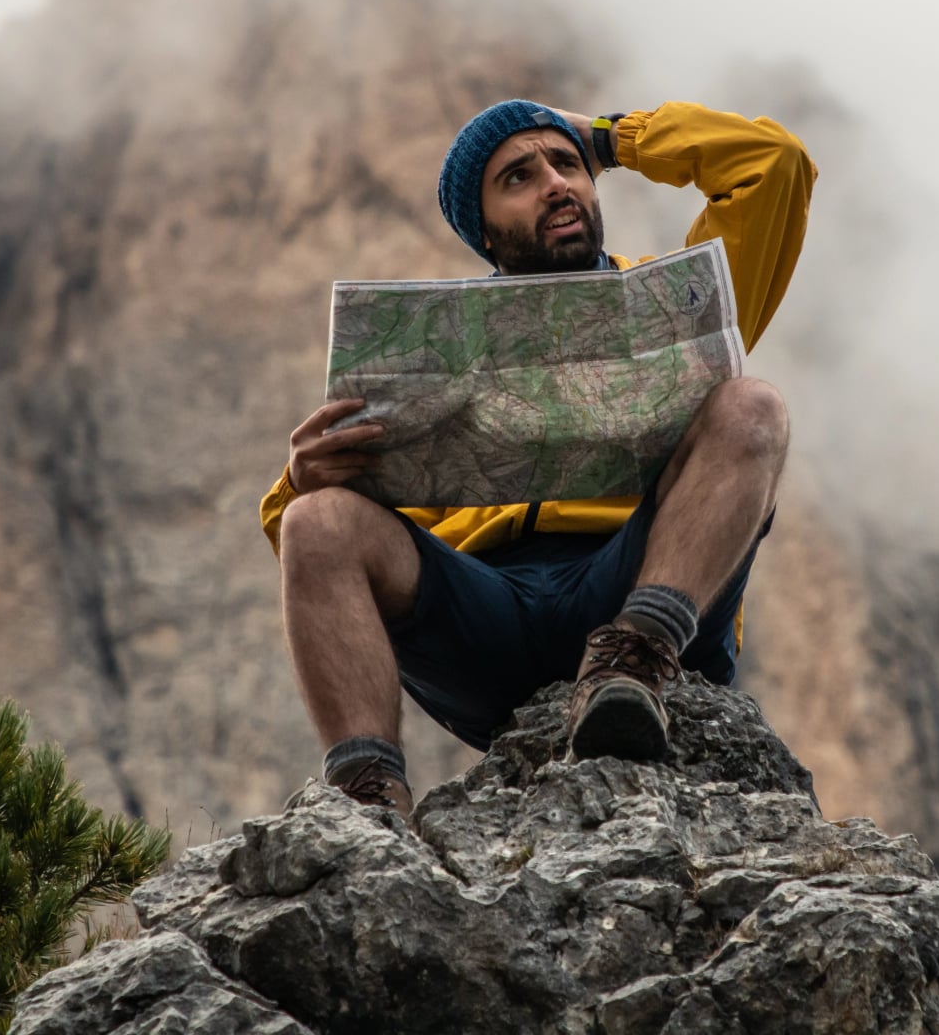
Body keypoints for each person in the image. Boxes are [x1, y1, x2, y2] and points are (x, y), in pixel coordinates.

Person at [259, 100, 816, 818]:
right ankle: (367, 798)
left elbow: (776, 166)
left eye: (567, 166)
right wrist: (300, 480)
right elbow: (295, 533)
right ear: (483, 230)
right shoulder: (431, 361)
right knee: (317, 521)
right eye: (518, 177)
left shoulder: (683, 304)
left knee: (753, 407)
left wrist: (610, 138)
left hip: (642, 584)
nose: (555, 183)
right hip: (486, 616)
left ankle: (632, 661)